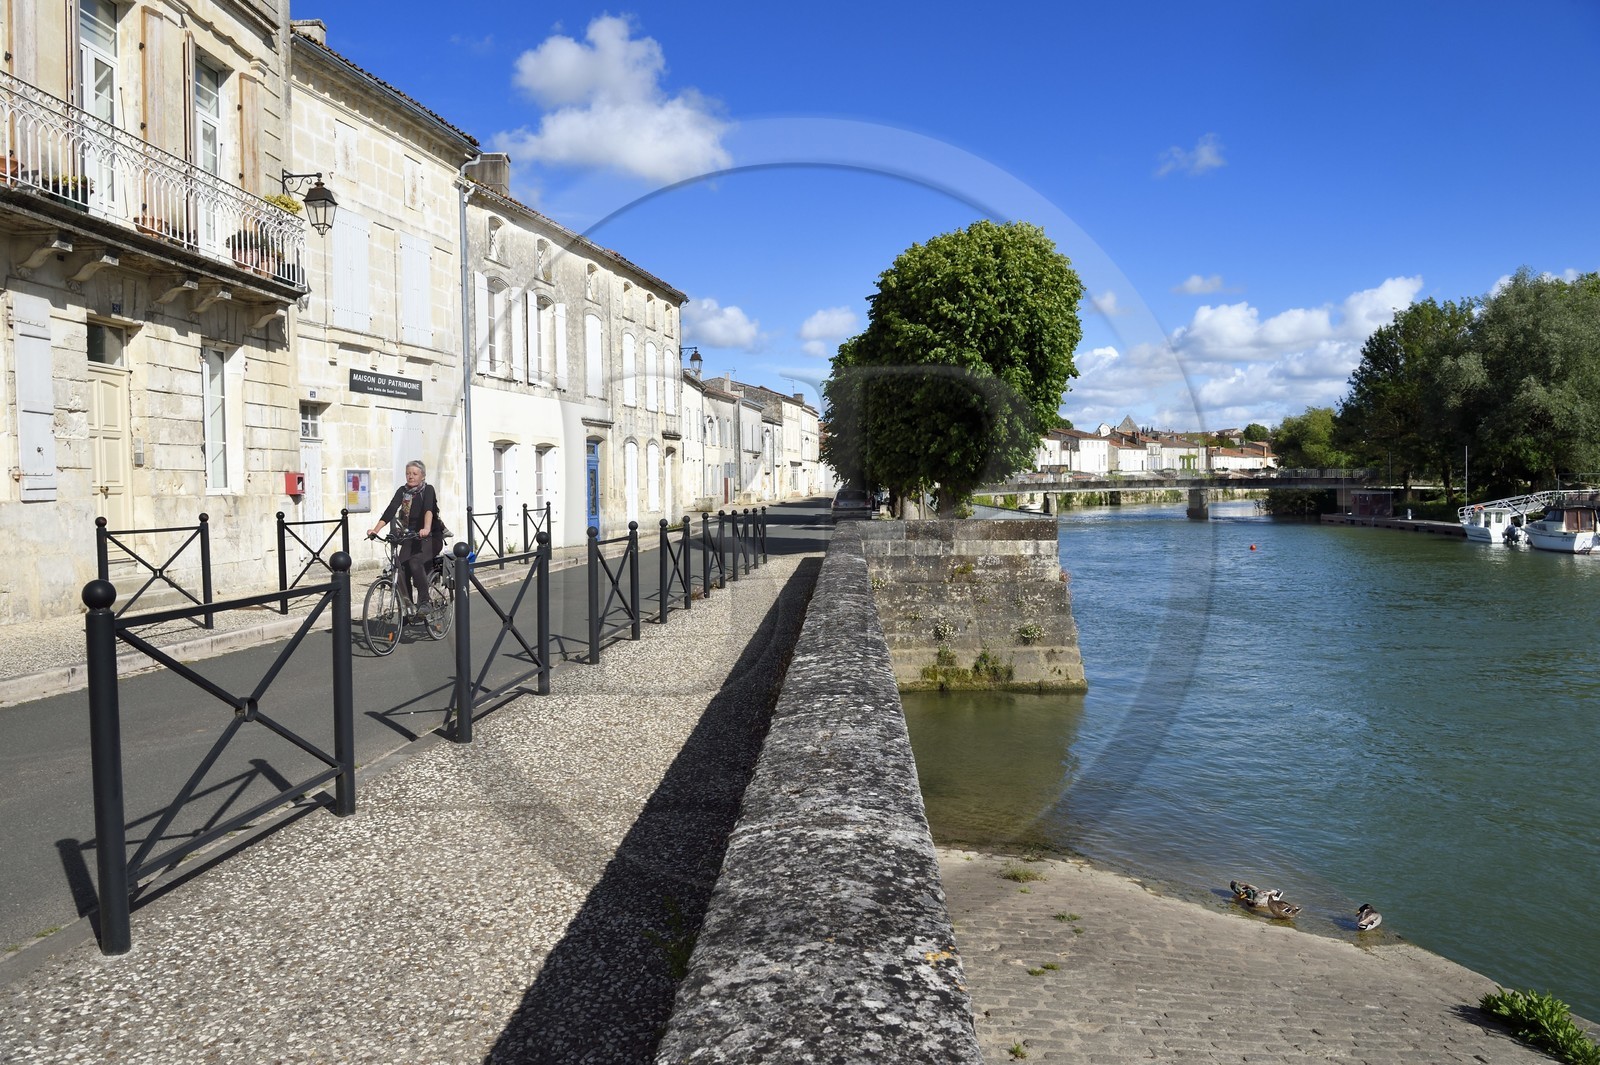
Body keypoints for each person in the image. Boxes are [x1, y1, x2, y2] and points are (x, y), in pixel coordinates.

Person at [368, 460, 439, 616]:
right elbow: (390, 510)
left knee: (415, 561)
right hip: (412, 536)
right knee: (399, 568)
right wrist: (375, 529)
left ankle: (425, 601)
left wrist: (426, 528)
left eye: (414, 474)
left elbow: (429, 509)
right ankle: (408, 606)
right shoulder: (403, 491)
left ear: (422, 476)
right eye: (408, 473)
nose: (410, 476)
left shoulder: (428, 490)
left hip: (431, 536)